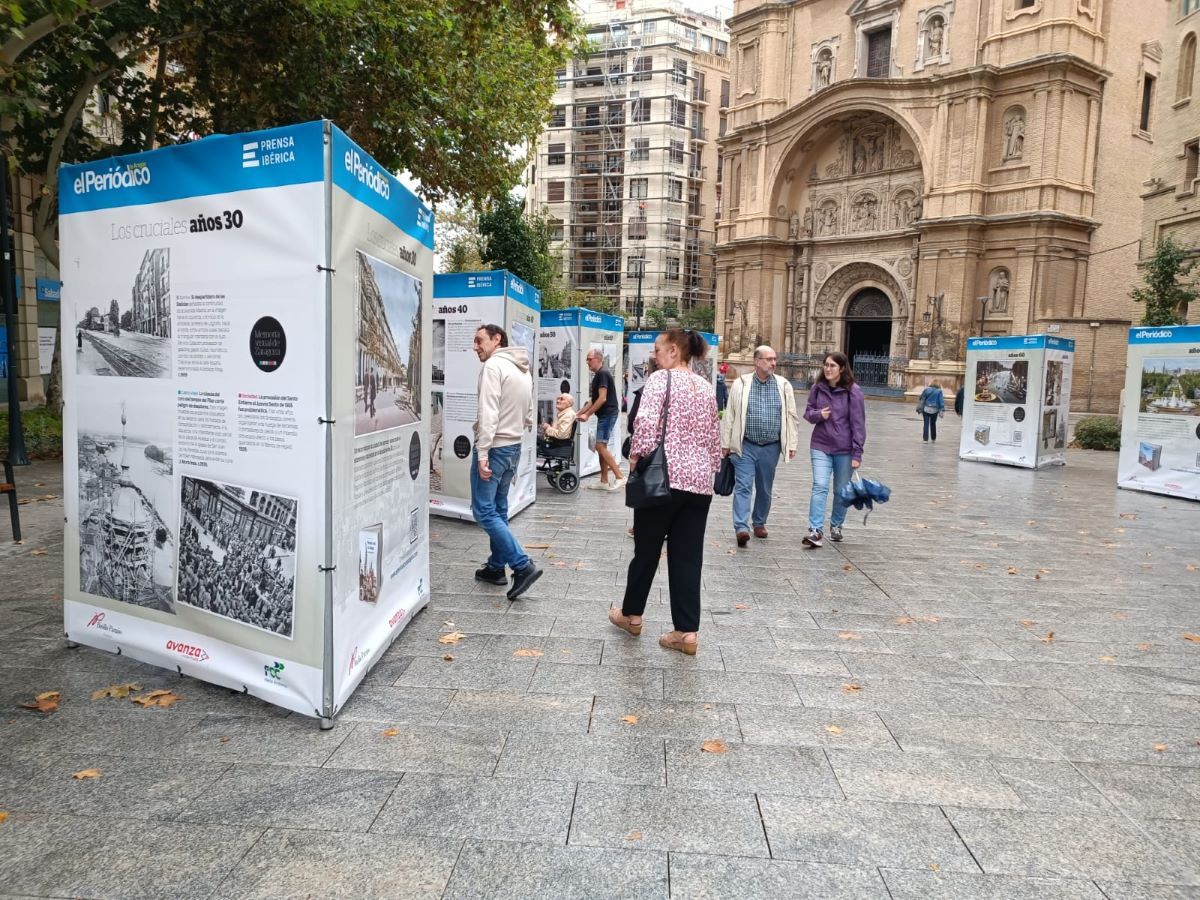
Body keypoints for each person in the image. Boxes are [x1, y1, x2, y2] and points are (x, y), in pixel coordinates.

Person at [608, 329, 721, 655]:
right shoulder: (704, 386)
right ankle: (686, 634)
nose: (655, 356)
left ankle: (632, 616)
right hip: (699, 484)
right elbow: (714, 436)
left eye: (658, 350)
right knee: (688, 556)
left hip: (663, 478)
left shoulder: (660, 380)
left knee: (646, 550)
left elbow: (644, 424)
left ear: (673, 350)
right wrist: (709, 468)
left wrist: (635, 459)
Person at [470, 324, 542, 601]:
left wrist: (483, 452)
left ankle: (522, 565)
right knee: (498, 508)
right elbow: (529, 410)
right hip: (513, 445)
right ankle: (495, 568)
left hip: (496, 445)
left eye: (479, 341)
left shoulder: (493, 367)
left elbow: (488, 412)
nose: (475, 347)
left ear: (496, 339)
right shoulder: (521, 369)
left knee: (484, 511)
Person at [720, 344, 799, 547]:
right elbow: (731, 415)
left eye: (774, 359)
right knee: (744, 486)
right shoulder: (741, 383)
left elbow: (791, 416)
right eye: (768, 359)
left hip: (770, 446)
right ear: (756, 361)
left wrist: (791, 443)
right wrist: (725, 443)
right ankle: (741, 527)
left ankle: (759, 522)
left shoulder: (783, 385)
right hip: (745, 445)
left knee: (764, 488)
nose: (773, 363)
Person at [802, 351, 866, 548]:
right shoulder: (817, 388)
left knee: (840, 490)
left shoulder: (853, 391)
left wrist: (857, 452)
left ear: (842, 369)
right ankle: (815, 530)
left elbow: (858, 424)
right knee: (820, 486)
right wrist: (819, 415)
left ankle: (836, 525)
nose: (828, 369)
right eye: (826, 365)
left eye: (832, 366)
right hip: (821, 445)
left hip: (845, 449)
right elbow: (808, 413)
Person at [577, 348, 624, 491]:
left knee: (600, 446)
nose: (587, 362)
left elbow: (602, 399)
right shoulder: (599, 375)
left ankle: (620, 477)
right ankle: (604, 481)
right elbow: (594, 400)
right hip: (605, 414)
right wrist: (578, 413)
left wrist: (588, 414)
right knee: (601, 447)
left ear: (598, 359)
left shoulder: (602, 373)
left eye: (589, 359)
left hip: (608, 413)